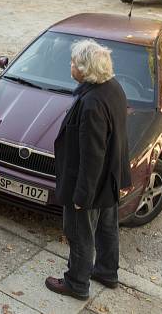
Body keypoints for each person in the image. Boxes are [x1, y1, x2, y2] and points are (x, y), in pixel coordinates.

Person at [45, 39, 132, 300]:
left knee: (80, 233)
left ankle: (77, 283)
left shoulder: (92, 103)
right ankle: (107, 271)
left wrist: (82, 196)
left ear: (85, 70)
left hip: (90, 184)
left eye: (73, 63)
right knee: (107, 228)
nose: (70, 66)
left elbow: (92, 156)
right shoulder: (113, 87)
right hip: (110, 178)